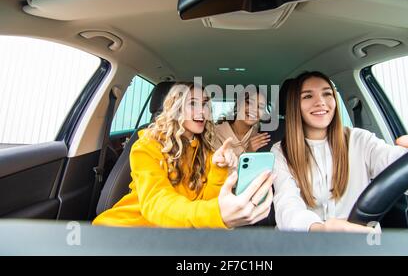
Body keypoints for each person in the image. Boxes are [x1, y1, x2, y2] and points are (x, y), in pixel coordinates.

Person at [272, 71, 408, 233]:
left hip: (361, 242)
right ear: (295, 105)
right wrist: (318, 229)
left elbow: (401, 171)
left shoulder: (360, 140)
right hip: (303, 244)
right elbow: (286, 203)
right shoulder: (281, 151)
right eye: (308, 96)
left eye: (327, 93)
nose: (321, 102)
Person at [93, 82, 274, 228]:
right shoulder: (147, 146)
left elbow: (206, 201)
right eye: (193, 103)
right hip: (130, 229)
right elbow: (157, 204)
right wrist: (216, 213)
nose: (202, 110)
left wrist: (219, 170)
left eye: (204, 104)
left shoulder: (206, 149)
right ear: (176, 108)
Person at [214, 88, 271, 159]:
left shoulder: (261, 135)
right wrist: (249, 153)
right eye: (249, 102)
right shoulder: (216, 133)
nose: (254, 109)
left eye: (260, 107)